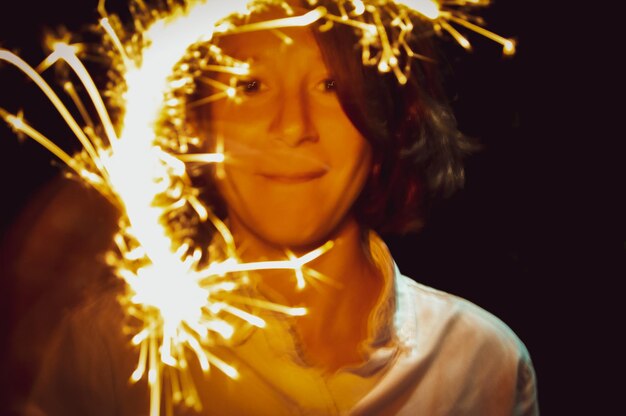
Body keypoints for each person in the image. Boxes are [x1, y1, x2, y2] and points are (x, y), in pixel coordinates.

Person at [17, 1, 538, 415]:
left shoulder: (484, 364)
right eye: (250, 85)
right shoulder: (109, 351)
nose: (293, 126)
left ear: (388, 122)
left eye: (331, 84)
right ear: (199, 124)